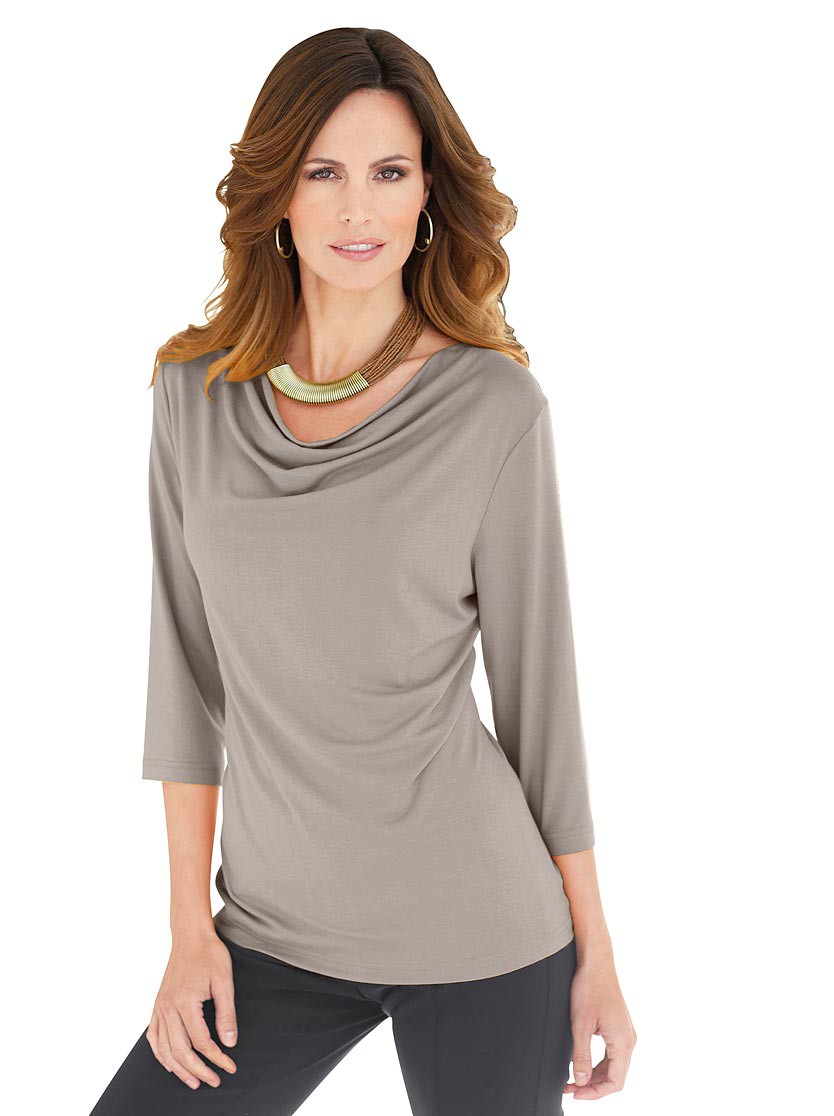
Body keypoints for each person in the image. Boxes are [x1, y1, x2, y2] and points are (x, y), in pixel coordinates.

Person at [89, 26, 636, 1116]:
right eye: (322, 172)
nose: (357, 210)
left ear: (428, 194)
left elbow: (541, 704)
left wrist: (599, 952)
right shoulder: (193, 395)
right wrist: (188, 930)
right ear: (276, 194)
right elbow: (183, 680)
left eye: (389, 173)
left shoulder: (492, 409)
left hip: (482, 927)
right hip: (273, 933)